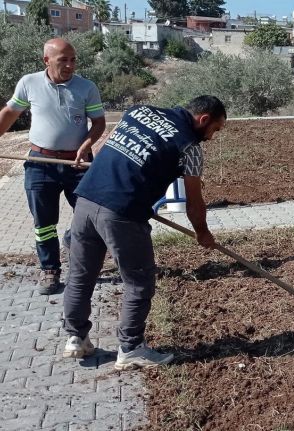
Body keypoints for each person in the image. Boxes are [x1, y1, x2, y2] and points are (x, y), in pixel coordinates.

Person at [62, 95, 226, 370]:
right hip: (123, 212)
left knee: (81, 275)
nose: (211, 137)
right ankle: (131, 348)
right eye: (215, 129)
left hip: (86, 200)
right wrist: (203, 232)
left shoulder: (138, 112)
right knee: (139, 282)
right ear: (203, 119)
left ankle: (76, 338)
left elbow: (109, 149)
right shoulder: (190, 147)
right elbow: (194, 201)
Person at [0, 38, 106, 294]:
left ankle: (75, 245)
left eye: (73, 60)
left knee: (91, 218)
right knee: (44, 223)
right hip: (40, 163)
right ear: (46, 60)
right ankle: (50, 269)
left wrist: (87, 144)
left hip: (78, 164)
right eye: (63, 60)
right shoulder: (29, 83)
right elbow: (10, 113)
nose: (70, 65)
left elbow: (99, 123)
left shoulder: (86, 87)